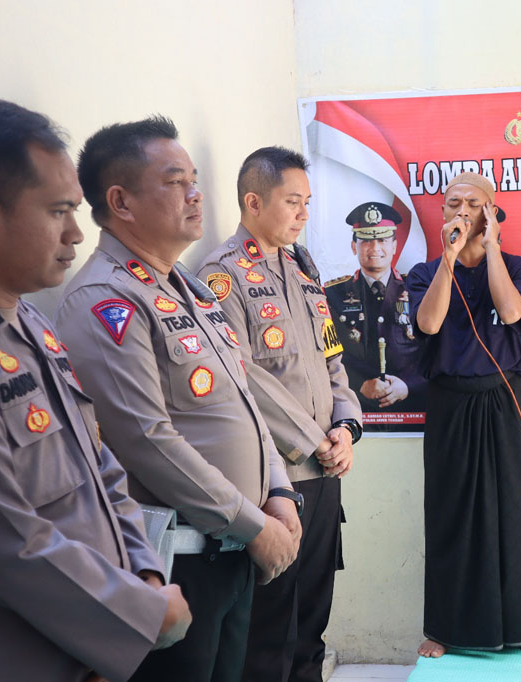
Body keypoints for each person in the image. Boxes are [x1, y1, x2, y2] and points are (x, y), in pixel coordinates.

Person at [0, 100, 191, 682]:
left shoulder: (31, 323)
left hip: (92, 650)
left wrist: (145, 574)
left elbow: (99, 464)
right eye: (58, 211)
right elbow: (0, 540)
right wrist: (138, 614)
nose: (76, 234)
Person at [55, 119, 302, 682]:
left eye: (194, 179)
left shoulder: (187, 286)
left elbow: (244, 401)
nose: (196, 193)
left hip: (237, 550)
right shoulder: (106, 298)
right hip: (181, 562)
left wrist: (280, 493)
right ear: (120, 202)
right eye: (175, 182)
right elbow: (146, 440)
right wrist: (253, 524)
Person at [197, 146, 362, 682]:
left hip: (325, 472)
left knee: (313, 619)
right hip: (276, 481)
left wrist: (346, 427)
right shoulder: (222, 276)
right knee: (269, 632)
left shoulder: (302, 268)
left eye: (306, 202)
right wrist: (315, 440)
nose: (303, 214)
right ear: (253, 202)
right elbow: (241, 375)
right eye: (293, 202)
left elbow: (331, 358)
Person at [406, 171, 521, 658]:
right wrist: (449, 257)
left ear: (491, 211)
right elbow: (428, 323)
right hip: (450, 402)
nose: (462, 212)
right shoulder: (424, 273)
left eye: (473, 204)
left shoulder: (518, 267)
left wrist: (490, 249)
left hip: (504, 399)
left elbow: (511, 314)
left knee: (513, 509)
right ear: (442, 212)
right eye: (453, 204)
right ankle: (445, 629)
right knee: (450, 512)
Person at [325, 201, 426, 417]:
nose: (375, 248)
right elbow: (327, 353)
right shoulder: (332, 294)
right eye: (366, 241)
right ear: (354, 246)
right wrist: (360, 383)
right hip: (355, 408)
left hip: (413, 408)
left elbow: (434, 351)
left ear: (394, 246)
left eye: (382, 240)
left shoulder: (417, 290)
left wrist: (407, 384)